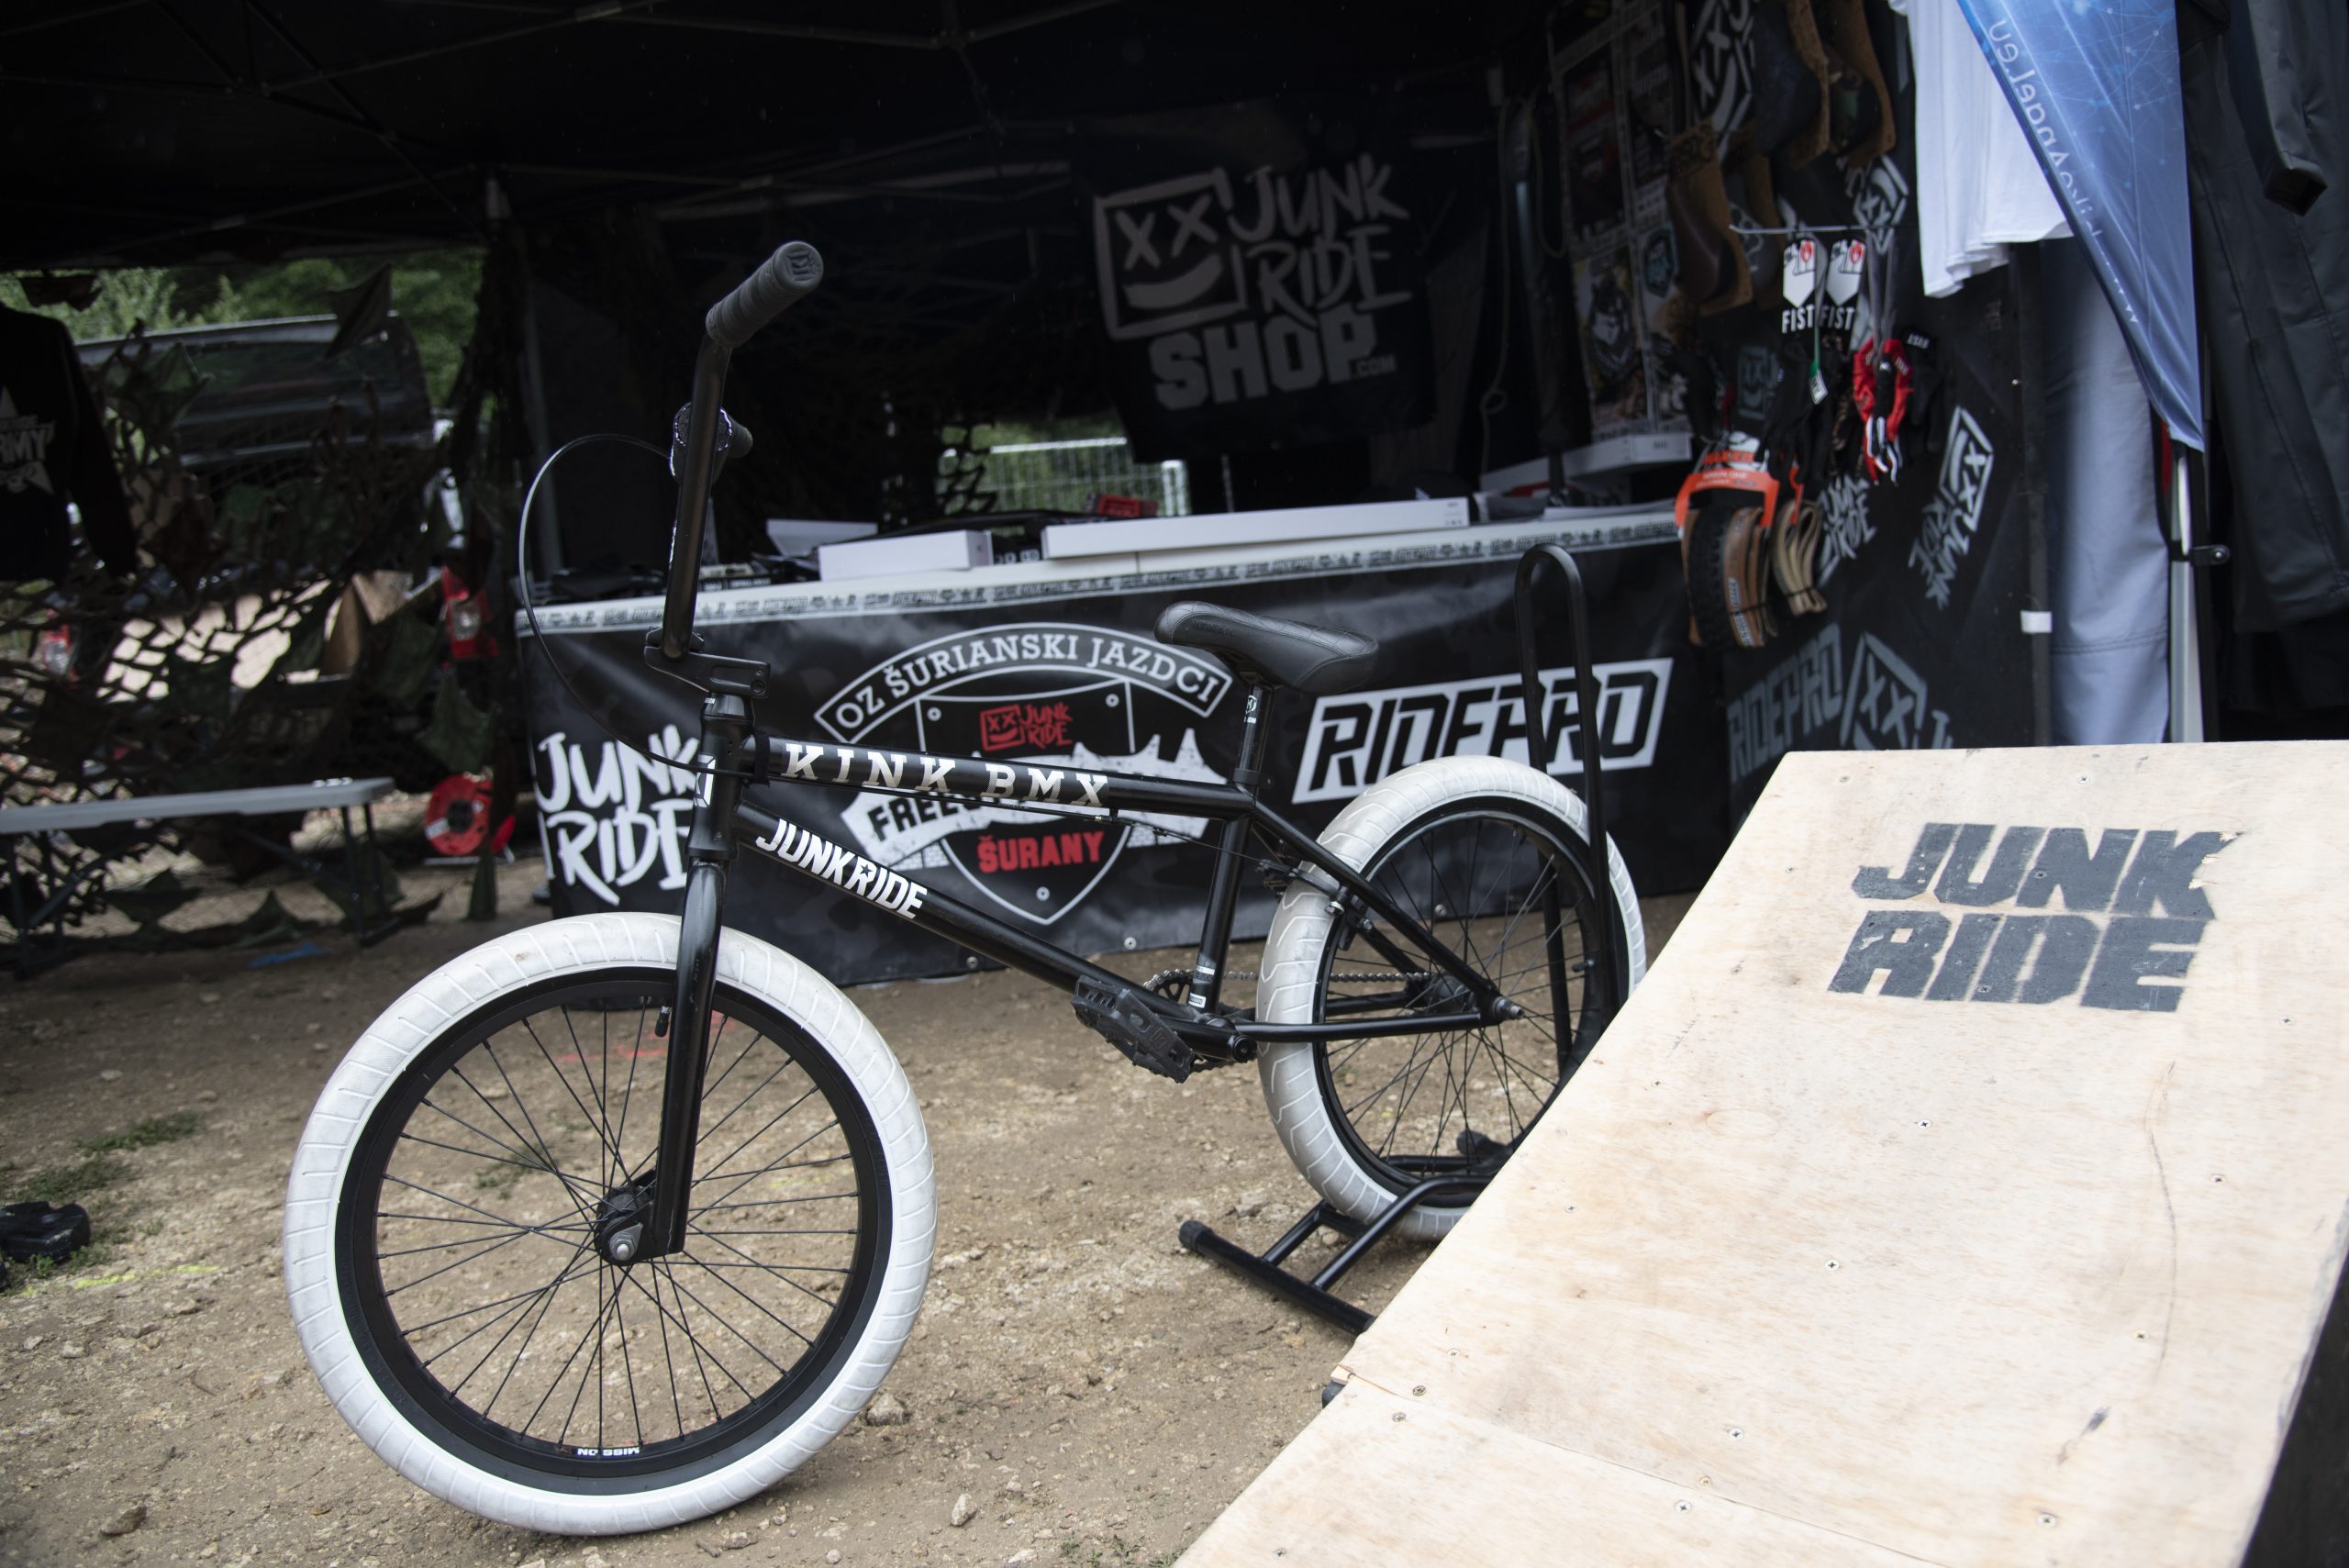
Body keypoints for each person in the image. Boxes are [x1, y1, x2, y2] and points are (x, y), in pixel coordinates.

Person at [0, 303, 139, 584]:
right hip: (39, 545)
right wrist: (118, 553)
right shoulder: (43, 338)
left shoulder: (45, 339)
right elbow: (90, 453)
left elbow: (89, 452)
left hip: (37, 548)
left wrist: (118, 552)